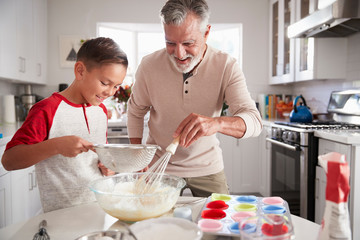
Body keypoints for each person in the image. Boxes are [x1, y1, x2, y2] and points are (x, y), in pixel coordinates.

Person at [127, 0, 263, 197]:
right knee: (155, 224)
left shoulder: (226, 65)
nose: (179, 53)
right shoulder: (149, 66)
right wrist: (138, 156)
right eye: (170, 43)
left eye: (188, 43)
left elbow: (254, 121)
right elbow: (135, 111)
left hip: (207, 166)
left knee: (218, 224)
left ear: (206, 33)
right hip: (159, 164)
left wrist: (216, 124)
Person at [1, 37, 128, 212]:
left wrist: (107, 166)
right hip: (62, 215)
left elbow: (96, 159)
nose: (110, 92)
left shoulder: (100, 111)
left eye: (116, 86)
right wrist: (56, 145)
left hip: (99, 208)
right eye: (105, 83)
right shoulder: (47, 109)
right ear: (80, 71)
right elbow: (9, 160)